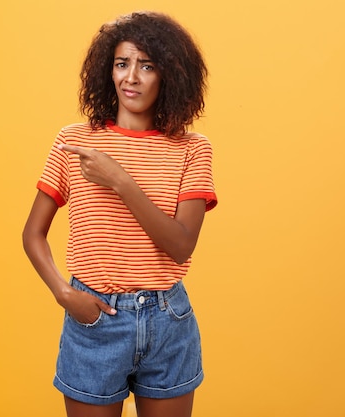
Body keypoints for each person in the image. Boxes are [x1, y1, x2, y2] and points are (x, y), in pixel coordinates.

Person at [23, 11, 217, 417]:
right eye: (122, 63)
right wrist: (64, 293)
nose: (132, 77)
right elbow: (32, 234)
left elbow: (181, 246)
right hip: (93, 320)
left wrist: (120, 181)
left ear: (168, 75)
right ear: (107, 71)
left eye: (147, 66)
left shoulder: (192, 149)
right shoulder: (74, 141)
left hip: (168, 323)